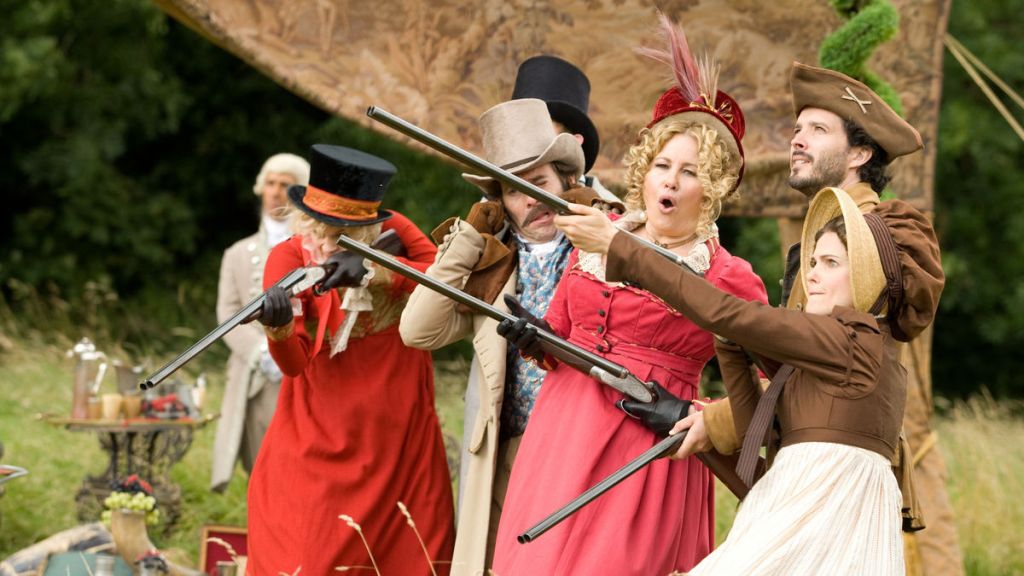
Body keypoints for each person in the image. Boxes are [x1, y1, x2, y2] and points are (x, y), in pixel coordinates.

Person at [490, 18, 768, 574]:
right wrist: (534, 338)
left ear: (708, 190)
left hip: (647, 446)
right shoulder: (596, 235)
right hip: (559, 435)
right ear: (643, 173)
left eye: (688, 172)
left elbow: (779, 380)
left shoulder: (728, 274)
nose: (669, 180)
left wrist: (703, 416)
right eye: (662, 165)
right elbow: (562, 338)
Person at [670, 62, 954, 574]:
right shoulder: (813, 248)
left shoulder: (888, 233)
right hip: (802, 465)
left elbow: (848, 347)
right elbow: (794, 370)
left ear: (861, 153)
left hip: (838, 473)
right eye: (797, 129)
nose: (797, 140)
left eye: (817, 130)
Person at [564, 185, 920, 573]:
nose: (812, 275)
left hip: (822, 542)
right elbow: (755, 442)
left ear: (867, 276)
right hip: (787, 525)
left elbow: (725, 312)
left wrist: (621, 246)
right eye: (813, 262)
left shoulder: (854, 341)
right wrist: (730, 345)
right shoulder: (825, 359)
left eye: (831, 263)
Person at [400, 98, 614, 576]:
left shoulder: (601, 247)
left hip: (585, 447)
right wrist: (470, 238)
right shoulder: (491, 266)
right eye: (515, 192)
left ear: (566, 182)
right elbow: (417, 330)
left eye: (538, 183)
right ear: (499, 203)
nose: (531, 200)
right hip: (508, 452)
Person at [248, 144, 454, 575]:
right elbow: (293, 365)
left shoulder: (393, 230)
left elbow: (445, 278)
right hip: (318, 432)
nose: (324, 241)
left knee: (410, 555)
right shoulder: (286, 257)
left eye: (341, 232)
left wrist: (375, 269)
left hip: (400, 431)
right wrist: (279, 327)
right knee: (308, 553)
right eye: (319, 227)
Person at [211, 153, 309, 493]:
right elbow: (227, 313)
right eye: (270, 183)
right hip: (254, 374)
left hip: (301, 370)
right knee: (260, 470)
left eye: (285, 185)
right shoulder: (237, 253)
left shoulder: (312, 250)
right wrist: (260, 352)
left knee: (299, 469)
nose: (275, 191)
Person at [511, 55, 619, 204]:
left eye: (540, 131)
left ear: (573, 144)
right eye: (520, 130)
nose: (528, 141)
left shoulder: (615, 217)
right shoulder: (491, 208)